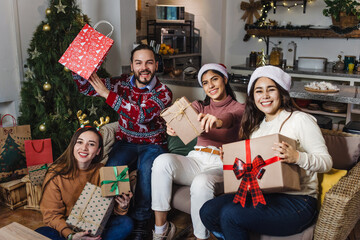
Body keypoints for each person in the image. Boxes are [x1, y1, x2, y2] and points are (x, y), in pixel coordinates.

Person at [199, 65, 333, 239]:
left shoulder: (301, 120)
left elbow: (326, 162)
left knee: (231, 215)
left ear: (282, 92)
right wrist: (232, 161)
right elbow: (255, 171)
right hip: (265, 195)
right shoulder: (257, 129)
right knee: (208, 211)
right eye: (258, 91)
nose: (265, 96)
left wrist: (297, 157)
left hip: (299, 202)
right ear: (253, 97)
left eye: (271, 89)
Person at [72, 44, 173, 239]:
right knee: (112, 169)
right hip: (125, 142)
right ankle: (104, 218)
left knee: (146, 173)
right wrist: (81, 64)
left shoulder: (164, 92)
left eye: (149, 62)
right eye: (139, 63)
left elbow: (142, 115)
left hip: (153, 145)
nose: (144, 67)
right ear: (132, 65)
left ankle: (141, 222)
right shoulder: (122, 83)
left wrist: (107, 94)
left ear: (156, 65)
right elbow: (85, 87)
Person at [151, 63, 245, 240]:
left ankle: (201, 236)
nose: (210, 86)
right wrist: (173, 126)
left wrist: (216, 121)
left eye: (214, 79)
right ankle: (160, 230)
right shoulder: (200, 106)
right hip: (196, 159)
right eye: (205, 82)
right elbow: (182, 115)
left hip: (221, 164)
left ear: (225, 79)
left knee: (201, 182)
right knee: (162, 161)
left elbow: (229, 119)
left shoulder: (239, 108)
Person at [36, 126, 134, 240]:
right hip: (66, 228)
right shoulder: (56, 173)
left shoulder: (103, 172)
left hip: (93, 227)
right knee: (42, 232)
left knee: (126, 223)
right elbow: (51, 216)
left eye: (91, 144)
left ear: (98, 151)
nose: (84, 148)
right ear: (73, 146)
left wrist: (122, 206)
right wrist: (71, 235)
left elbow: (107, 209)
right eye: (80, 142)